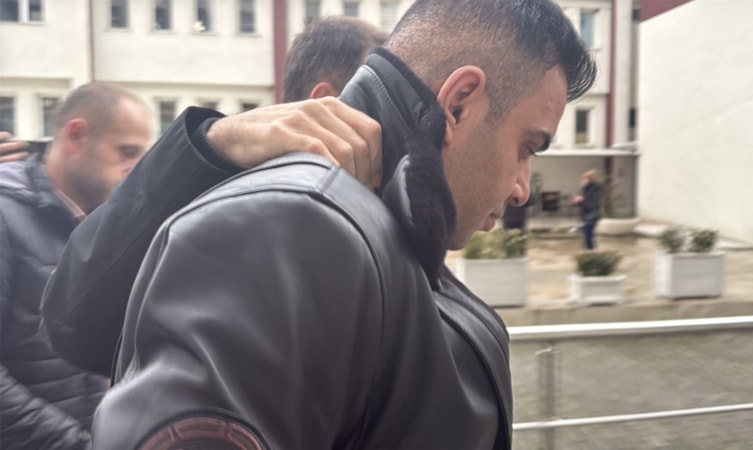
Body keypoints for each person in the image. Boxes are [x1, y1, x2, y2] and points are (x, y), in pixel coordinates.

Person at [91, 0, 596, 448]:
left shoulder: (382, 225)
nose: (522, 189)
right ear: (459, 103)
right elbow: (77, 328)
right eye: (527, 147)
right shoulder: (293, 227)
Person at [41, 16, 386, 378]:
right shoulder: (244, 212)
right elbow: (76, 323)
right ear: (328, 102)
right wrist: (212, 144)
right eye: (383, 103)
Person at [0, 82, 152, 450]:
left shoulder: (108, 227)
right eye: (126, 151)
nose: (136, 169)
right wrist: (75, 443)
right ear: (76, 136)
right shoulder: (5, 216)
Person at [571, 169, 604, 249]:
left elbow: (592, 204)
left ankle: (590, 252)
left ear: (589, 180)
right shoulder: (585, 189)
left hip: (592, 215)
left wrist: (581, 200)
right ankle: (591, 251)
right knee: (588, 236)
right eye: (582, 180)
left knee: (588, 236)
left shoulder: (595, 189)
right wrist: (577, 201)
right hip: (586, 215)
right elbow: (584, 204)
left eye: (584, 179)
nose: (582, 182)